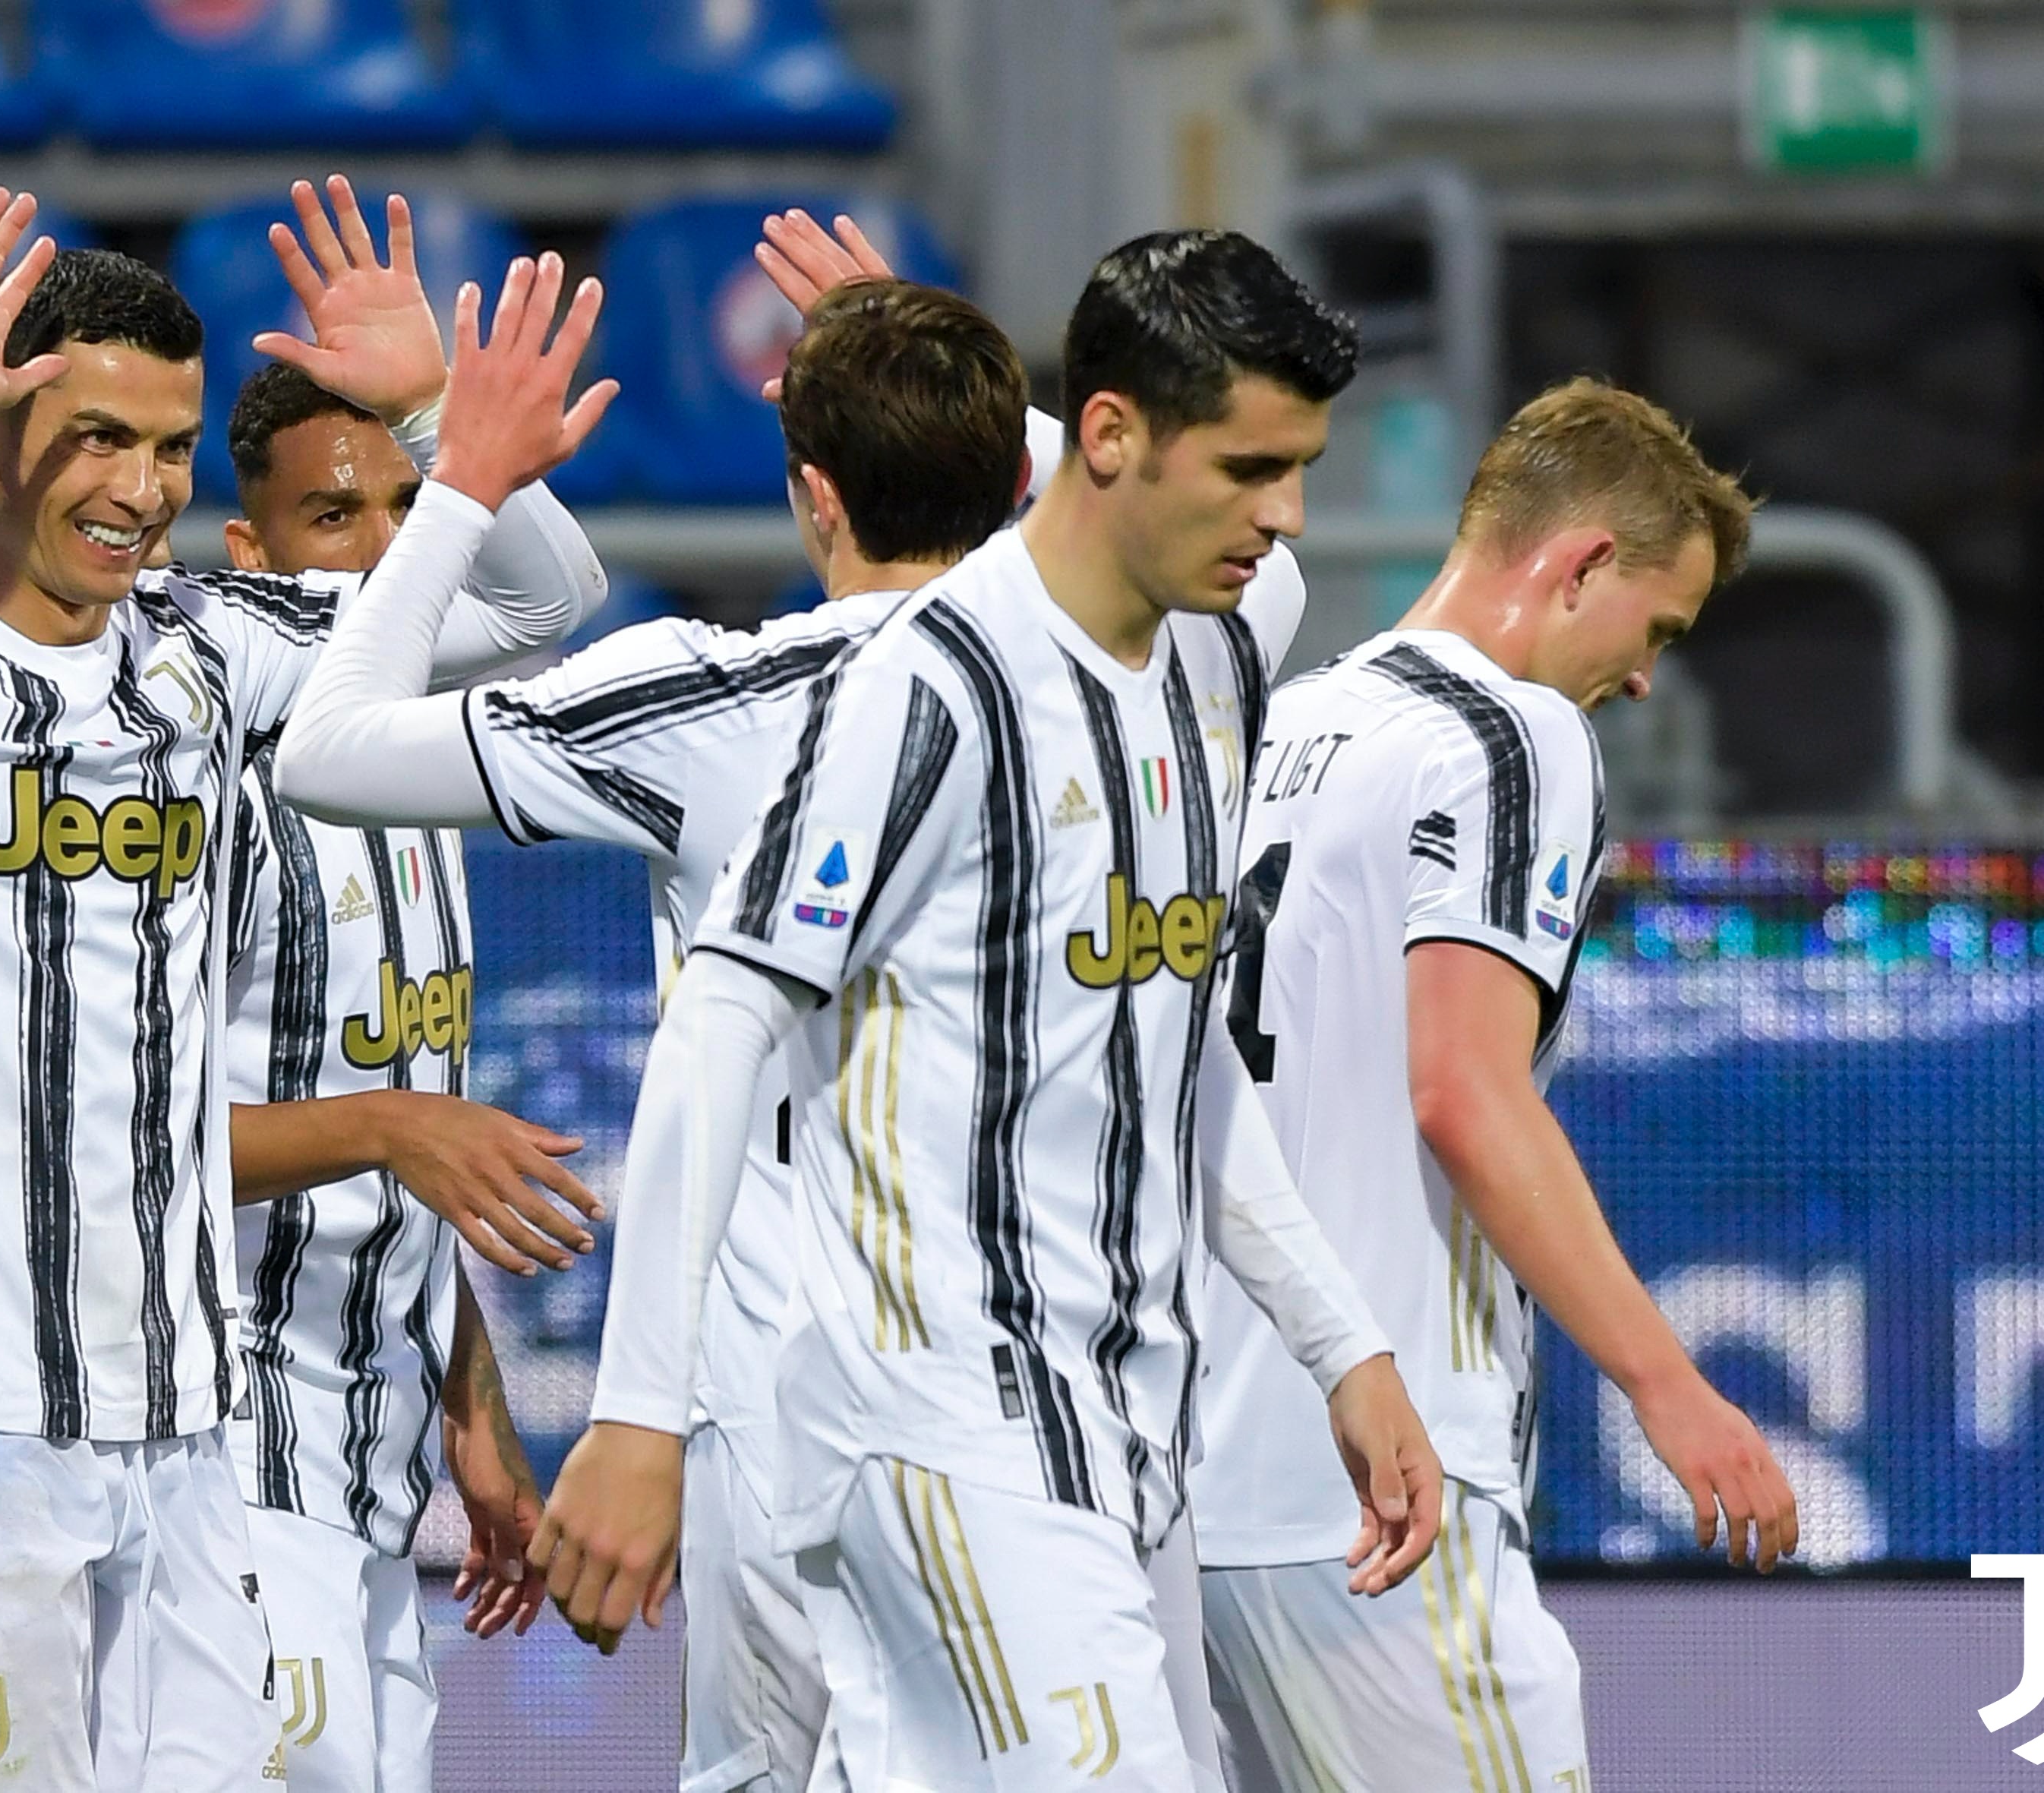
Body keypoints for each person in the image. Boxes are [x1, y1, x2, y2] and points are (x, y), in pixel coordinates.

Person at [0, 186, 610, 1789]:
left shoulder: (212, 650)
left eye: (170, 447)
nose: (143, 491)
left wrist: (430, 406)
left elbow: (533, 607)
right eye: (97, 440)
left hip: (190, 1423)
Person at [513, 229, 1450, 1792]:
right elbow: (718, 1024)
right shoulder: (926, 686)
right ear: (1108, 437)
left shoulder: (1210, 661)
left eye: (1297, 469)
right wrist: (635, 1415)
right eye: (1249, 469)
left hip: (1121, 1443)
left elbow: (1170, 1056)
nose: (1285, 516)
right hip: (943, 1429)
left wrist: (1342, 1346)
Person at [265, 211, 1070, 1788]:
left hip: (787, 1415)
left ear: (812, 489)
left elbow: (324, 746)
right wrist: (942, 373)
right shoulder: (1130, 682)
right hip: (1050, 1397)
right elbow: (1255, 557)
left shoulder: (712, 699)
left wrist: (456, 460)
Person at [1194, 378, 1801, 1793]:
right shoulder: (1510, 735)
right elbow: (1463, 1091)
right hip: (1382, 1496)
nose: (1642, 679)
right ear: (1579, 562)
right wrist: (1666, 1387)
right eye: (1656, 627)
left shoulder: (1260, 725)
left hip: (1190, 1488)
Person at [213, 309, 569, 1786]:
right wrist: (383, 1123)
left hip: (368, 1477)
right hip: (223, 1461)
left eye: (408, 513)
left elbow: (547, 592)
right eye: (331, 516)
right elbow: (105, 1146)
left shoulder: (420, 767)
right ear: (246, 554)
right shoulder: (205, 787)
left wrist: (475, 1416)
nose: (376, 555)